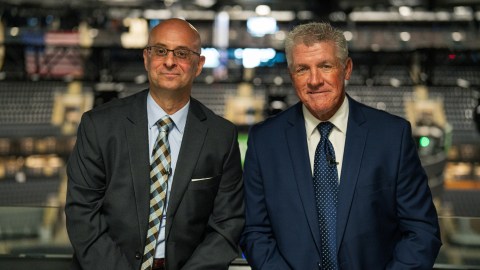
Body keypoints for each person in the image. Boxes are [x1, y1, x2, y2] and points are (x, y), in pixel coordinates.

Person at [240, 22, 441, 269]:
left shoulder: (392, 136)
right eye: (303, 69)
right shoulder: (264, 140)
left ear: (346, 69)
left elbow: (421, 230)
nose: (314, 80)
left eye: (325, 66)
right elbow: (255, 231)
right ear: (292, 75)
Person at [65, 18, 244, 270]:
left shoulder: (221, 135)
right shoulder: (99, 126)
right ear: (146, 58)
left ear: (199, 65)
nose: (169, 61)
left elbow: (228, 224)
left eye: (182, 53)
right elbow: (82, 214)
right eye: (160, 51)